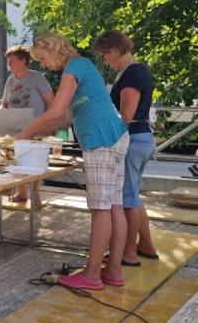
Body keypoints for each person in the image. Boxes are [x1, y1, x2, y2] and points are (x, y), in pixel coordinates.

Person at [18, 32, 128, 292]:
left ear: (53, 50)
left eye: (42, 59)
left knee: (100, 209)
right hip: (114, 136)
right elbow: (63, 118)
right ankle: (113, 270)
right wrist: (35, 134)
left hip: (100, 140)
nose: (44, 65)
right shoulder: (80, 67)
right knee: (114, 205)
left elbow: (55, 111)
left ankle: (91, 275)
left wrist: (22, 135)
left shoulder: (75, 66)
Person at [92, 30, 160, 264]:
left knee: (127, 199)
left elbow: (126, 116)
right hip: (141, 138)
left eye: (104, 55)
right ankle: (146, 245)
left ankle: (128, 253)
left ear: (114, 50)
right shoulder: (134, 71)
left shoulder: (132, 73)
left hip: (133, 140)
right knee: (133, 196)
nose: (104, 60)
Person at [0, 45, 55, 208]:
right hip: (14, 129)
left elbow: (50, 101)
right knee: (18, 160)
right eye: (8, 61)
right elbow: (4, 103)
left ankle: (36, 194)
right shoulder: (10, 81)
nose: (9, 64)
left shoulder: (37, 78)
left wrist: (46, 123)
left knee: (35, 162)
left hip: (35, 127)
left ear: (23, 60)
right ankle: (22, 192)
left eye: (12, 60)